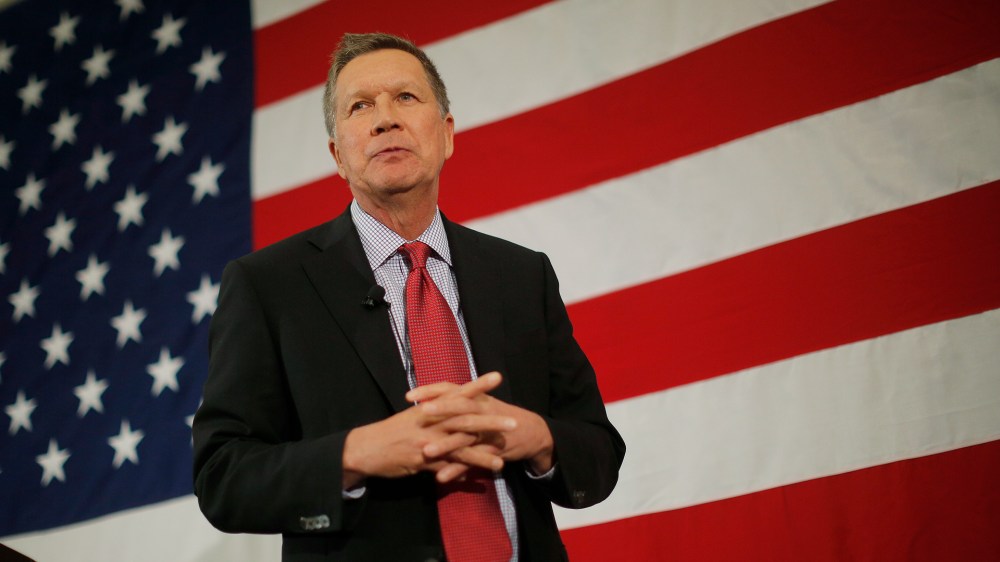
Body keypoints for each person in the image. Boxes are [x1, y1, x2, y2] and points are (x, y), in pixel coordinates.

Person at [192, 32, 625, 562]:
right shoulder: (268, 285)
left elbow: (598, 451)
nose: (385, 120)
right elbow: (223, 476)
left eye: (405, 97)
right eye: (360, 106)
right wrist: (355, 454)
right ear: (338, 156)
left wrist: (538, 438)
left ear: (446, 134)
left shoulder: (520, 274)